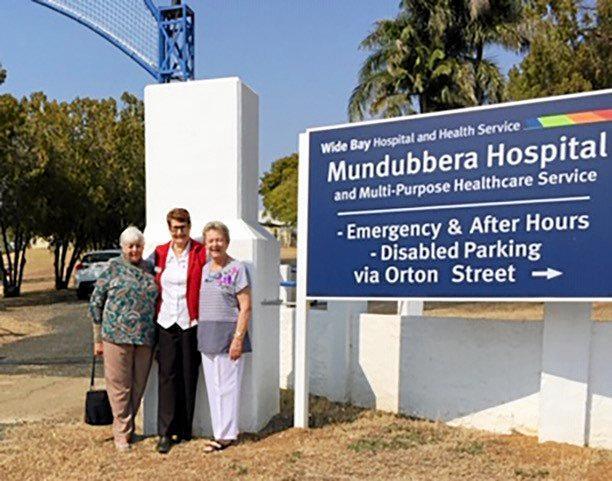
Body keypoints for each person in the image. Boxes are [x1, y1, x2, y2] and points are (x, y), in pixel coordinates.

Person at [89, 226, 158, 451]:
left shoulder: (149, 269)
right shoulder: (112, 269)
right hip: (115, 336)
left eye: (138, 245)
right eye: (130, 246)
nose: (135, 250)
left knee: (138, 385)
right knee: (119, 387)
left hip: (145, 337)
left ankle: (128, 426)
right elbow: (95, 304)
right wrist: (97, 339)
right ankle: (121, 433)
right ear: (122, 248)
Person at [153, 208, 207, 454]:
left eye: (183, 227)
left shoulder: (199, 252)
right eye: (175, 227)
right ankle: (165, 432)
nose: (179, 232)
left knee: (188, 374)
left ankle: (184, 429)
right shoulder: (161, 253)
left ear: (189, 226)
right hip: (165, 322)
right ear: (169, 228)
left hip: (189, 322)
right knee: (167, 377)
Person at [197, 221, 252, 451]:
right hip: (207, 336)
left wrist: (238, 338)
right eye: (210, 240)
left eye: (219, 239)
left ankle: (226, 436)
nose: (214, 244)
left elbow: (246, 307)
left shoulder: (237, 268)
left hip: (228, 335)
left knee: (228, 387)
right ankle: (219, 431)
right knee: (214, 387)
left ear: (227, 242)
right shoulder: (205, 269)